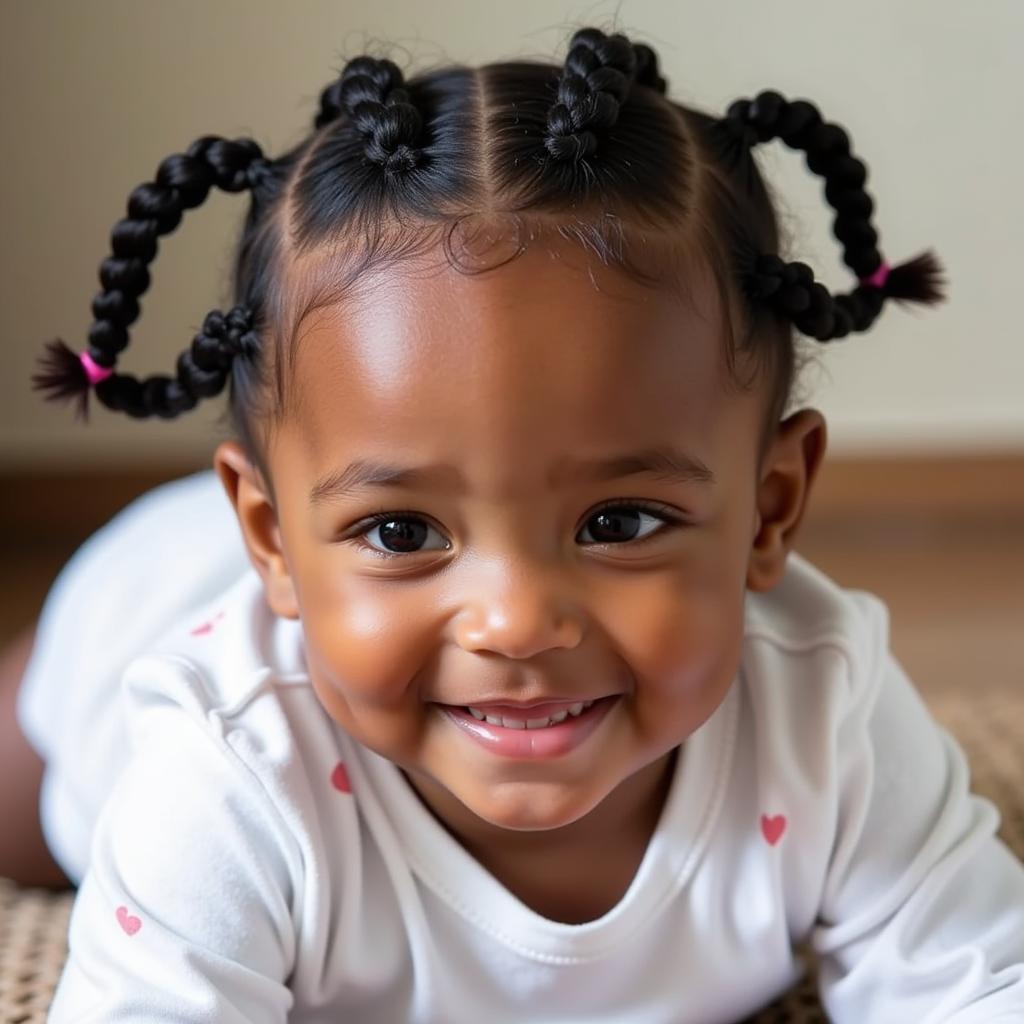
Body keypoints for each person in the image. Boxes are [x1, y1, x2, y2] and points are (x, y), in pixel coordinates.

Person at [10, 23, 1024, 1022]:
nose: (516, 621)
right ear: (272, 540)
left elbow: (978, 981)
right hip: (143, 600)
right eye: (404, 532)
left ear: (768, 507)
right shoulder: (222, 775)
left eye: (618, 520)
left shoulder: (821, 705)